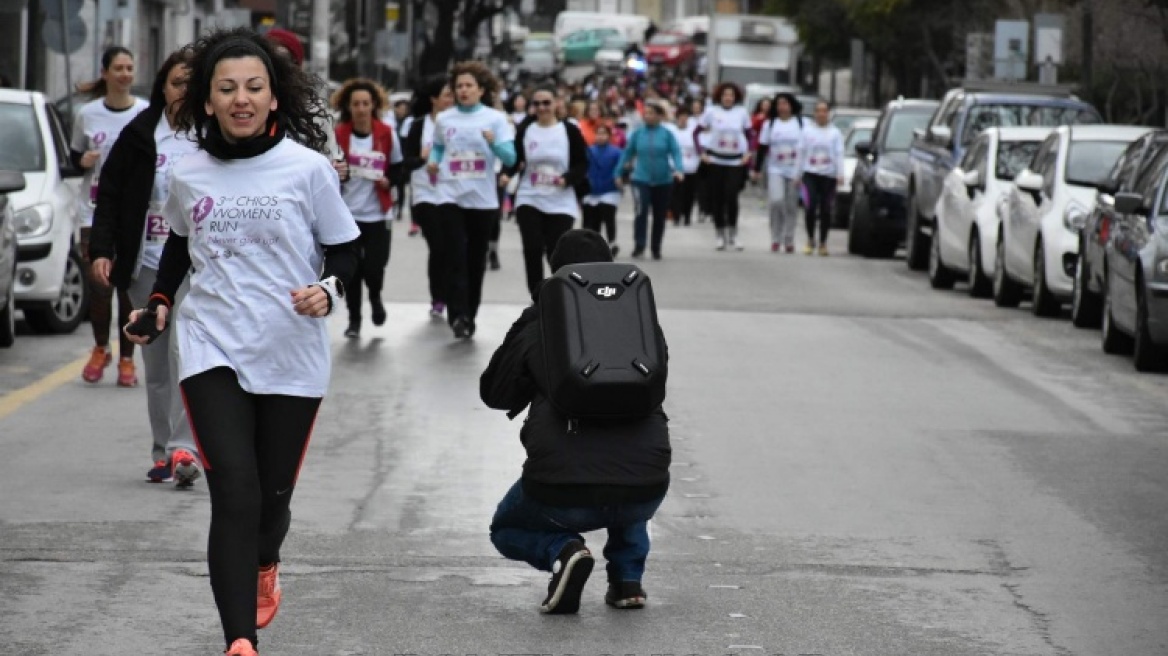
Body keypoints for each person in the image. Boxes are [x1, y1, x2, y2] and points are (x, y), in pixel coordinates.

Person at [124, 28, 359, 656]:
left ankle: (266, 559)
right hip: (211, 343)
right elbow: (177, 243)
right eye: (226, 88)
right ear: (207, 101)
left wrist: (329, 289)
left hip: (290, 346)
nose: (241, 98)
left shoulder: (307, 170)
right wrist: (161, 302)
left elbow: (345, 246)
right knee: (234, 486)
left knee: (271, 499)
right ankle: (240, 641)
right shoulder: (188, 169)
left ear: (273, 98)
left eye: (254, 86)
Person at [481, 228, 671, 614]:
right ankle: (627, 580)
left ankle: (563, 551)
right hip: (646, 486)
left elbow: (494, 392)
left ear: (554, 274)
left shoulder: (541, 326)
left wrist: (537, 312)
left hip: (563, 493)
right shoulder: (638, 321)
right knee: (626, 466)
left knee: (505, 529)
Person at [89, 48, 202, 486]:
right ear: (162, 87)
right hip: (147, 264)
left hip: (198, 267)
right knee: (157, 366)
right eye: (177, 83)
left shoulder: (212, 136)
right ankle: (163, 451)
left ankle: (184, 450)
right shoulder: (139, 134)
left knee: (186, 355)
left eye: (192, 83)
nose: (184, 91)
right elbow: (110, 197)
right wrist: (102, 248)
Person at [72, 46, 150, 386]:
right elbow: (73, 159)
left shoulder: (146, 113)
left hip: (130, 215)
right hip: (91, 212)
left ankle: (127, 360)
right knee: (99, 286)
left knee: (125, 289)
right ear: (105, 73)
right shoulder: (86, 114)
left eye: (129, 67)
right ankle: (101, 347)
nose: (125, 74)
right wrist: (83, 162)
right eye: (118, 68)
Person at [425, 61, 516, 339]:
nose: (463, 91)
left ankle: (470, 314)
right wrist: (433, 161)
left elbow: (510, 158)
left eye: (469, 86)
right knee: (454, 257)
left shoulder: (495, 119)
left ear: (481, 90)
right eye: (459, 86)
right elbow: (439, 147)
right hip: (449, 195)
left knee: (475, 261)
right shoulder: (445, 118)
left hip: (483, 199)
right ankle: (457, 316)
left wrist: (494, 143)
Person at [502, 85, 589, 298]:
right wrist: (507, 173)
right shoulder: (526, 129)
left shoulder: (569, 130)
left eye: (546, 103)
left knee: (556, 253)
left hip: (561, 200)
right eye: (537, 103)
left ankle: (560, 297)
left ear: (556, 104)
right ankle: (537, 298)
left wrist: (567, 178)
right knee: (531, 249)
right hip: (529, 196)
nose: (542, 107)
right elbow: (516, 157)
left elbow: (582, 163)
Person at [331, 78, 403, 338]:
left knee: (374, 267)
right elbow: (326, 169)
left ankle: (375, 296)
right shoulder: (339, 134)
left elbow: (398, 167)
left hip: (378, 213)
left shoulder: (386, 133)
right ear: (348, 107)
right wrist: (339, 173)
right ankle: (354, 320)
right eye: (356, 104)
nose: (361, 108)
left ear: (373, 105)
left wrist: (389, 180)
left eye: (365, 103)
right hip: (348, 214)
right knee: (353, 270)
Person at [403, 75, 455, 318]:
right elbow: (406, 163)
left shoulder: (460, 123)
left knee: (452, 247)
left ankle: (452, 293)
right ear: (434, 99)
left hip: (454, 193)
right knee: (438, 246)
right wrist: (423, 158)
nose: (451, 99)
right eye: (447, 95)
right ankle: (438, 297)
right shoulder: (418, 125)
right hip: (425, 193)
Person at [616, 100, 683, 260]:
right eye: (645, 113)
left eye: (651, 113)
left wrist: (679, 169)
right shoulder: (638, 134)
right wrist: (618, 173)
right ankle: (639, 245)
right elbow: (627, 153)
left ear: (660, 116)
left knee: (660, 215)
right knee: (641, 211)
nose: (648, 116)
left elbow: (676, 152)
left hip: (663, 180)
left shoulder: (667, 134)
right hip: (640, 179)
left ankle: (656, 247)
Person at [696, 82, 752, 251]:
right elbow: (696, 132)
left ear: (736, 97)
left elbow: (750, 135)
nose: (728, 98)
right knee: (717, 198)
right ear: (720, 97)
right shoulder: (711, 112)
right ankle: (720, 234)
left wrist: (749, 153)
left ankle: (733, 234)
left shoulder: (742, 112)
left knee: (731, 196)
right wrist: (701, 152)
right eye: (725, 95)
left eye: (731, 95)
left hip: (735, 161)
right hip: (715, 160)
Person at [754, 92, 804, 253]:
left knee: (791, 204)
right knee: (776, 201)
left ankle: (788, 238)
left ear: (791, 105)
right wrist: (756, 169)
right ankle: (776, 237)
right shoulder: (770, 124)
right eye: (779, 104)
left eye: (785, 104)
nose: (782, 107)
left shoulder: (801, 123)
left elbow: (807, 146)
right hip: (775, 168)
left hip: (795, 169)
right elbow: (762, 147)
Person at [801, 100, 844, 256]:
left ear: (828, 113)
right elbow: (801, 152)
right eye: (818, 111)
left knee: (826, 209)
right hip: (810, 174)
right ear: (814, 113)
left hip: (829, 175)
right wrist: (797, 173)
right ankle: (810, 238)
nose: (821, 114)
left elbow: (839, 153)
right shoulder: (807, 131)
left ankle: (823, 242)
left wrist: (840, 173)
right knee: (810, 206)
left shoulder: (835, 133)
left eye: (824, 111)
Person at [581, 124, 623, 255]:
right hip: (591, 191)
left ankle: (612, 241)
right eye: (598, 133)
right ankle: (592, 244)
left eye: (604, 134)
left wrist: (619, 177)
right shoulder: (588, 151)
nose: (600, 136)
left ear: (609, 136)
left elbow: (621, 168)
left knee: (608, 215)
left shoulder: (616, 152)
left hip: (609, 190)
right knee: (592, 219)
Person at [668, 104, 701, 226]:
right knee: (676, 194)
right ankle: (676, 216)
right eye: (681, 117)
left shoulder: (693, 131)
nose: (683, 119)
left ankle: (687, 215)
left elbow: (698, 148)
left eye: (685, 117)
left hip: (691, 167)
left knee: (689, 194)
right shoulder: (672, 131)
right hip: (676, 168)